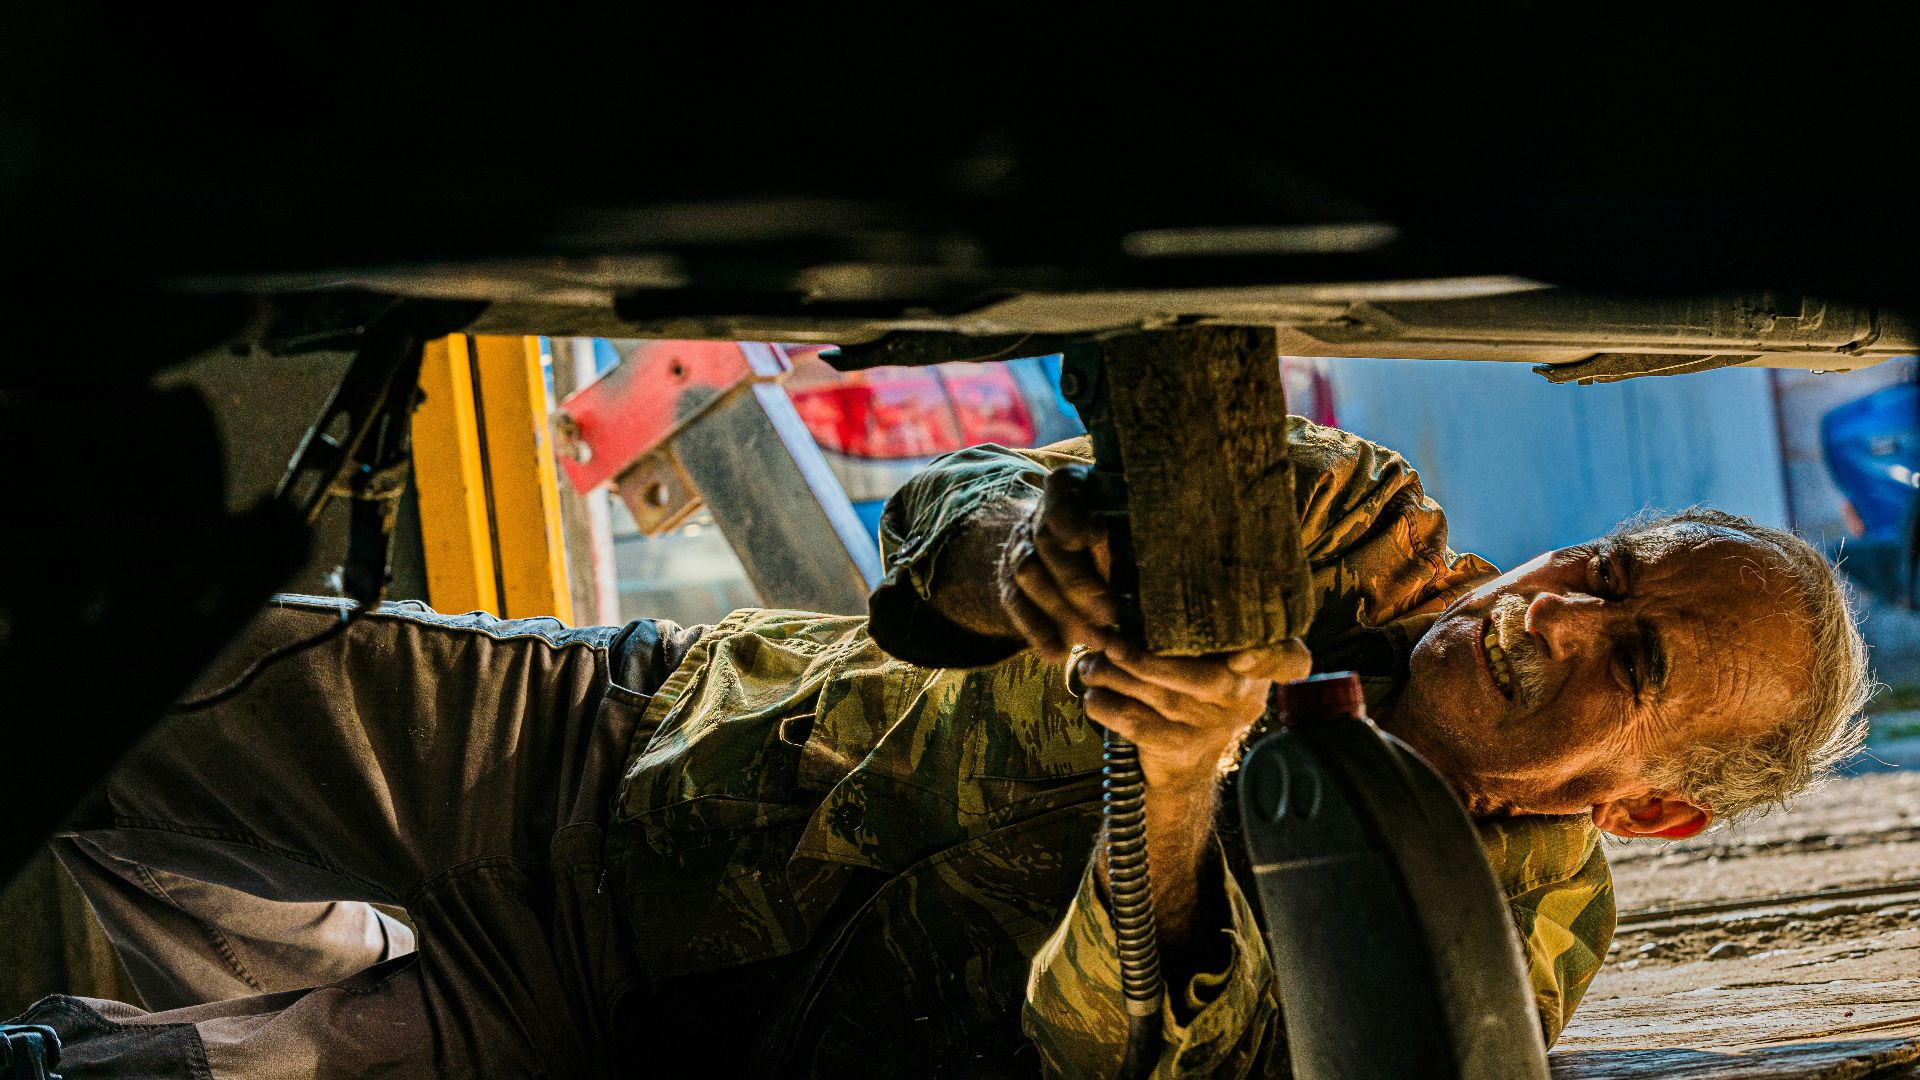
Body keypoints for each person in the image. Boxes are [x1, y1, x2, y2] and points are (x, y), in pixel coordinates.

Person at [16, 418, 1870, 1078]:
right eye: (1603, 569)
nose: (1548, 614)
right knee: (88, 662)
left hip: (609, 1026)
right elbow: (946, 515)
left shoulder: (1479, 948)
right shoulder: (1346, 524)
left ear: (1653, 804)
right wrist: (1019, 562)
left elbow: (1101, 1050)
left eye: (1626, 654)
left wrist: (1177, 782)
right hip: (621, 742)